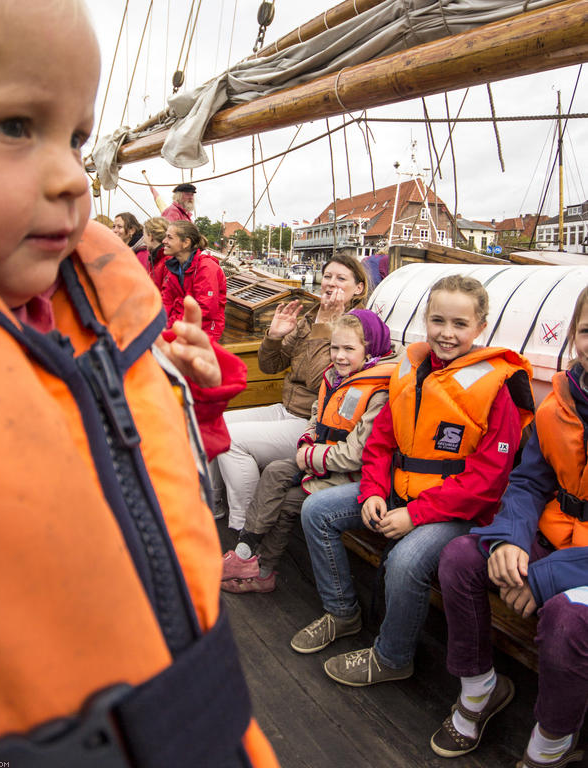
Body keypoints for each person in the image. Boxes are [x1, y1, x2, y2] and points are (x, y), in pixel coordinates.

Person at [0, 0, 278, 768]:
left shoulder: (92, 313)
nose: (72, 176)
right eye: (16, 126)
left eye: (78, 136)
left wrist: (185, 376)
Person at [290, 274, 534, 682]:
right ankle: (343, 613)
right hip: (397, 492)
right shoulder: (410, 368)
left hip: (457, 509)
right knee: (317, 510)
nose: (447, 333)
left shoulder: (498, 387)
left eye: (460, 324)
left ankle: (392, 657)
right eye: (438, 321)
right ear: (426, 320)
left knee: (405, 562)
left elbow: (488, 480)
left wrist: (416, 515)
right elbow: (382, 441)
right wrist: (371, 492)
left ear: (480, 326)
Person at [429, 286, 588, 767]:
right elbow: (527, 481)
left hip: (575, 566)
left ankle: (553, 741)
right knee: (460, 558)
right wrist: (509, 540)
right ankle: (480, 689)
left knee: (567, 621)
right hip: (555, 538)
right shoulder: (559, 404)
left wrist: (543, 578)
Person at [220, 310, 396, 593]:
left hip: (350, 475)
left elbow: (357, 454)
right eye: (334, 348)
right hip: (322, 460)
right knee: (277, 470)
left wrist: (310, 457)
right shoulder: (335, 379)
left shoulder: (378, 392)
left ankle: (260, 569)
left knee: (289, 502)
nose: (339, 356)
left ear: (370, 349)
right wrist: (305, 444)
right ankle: (246, 549)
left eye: (349, 349)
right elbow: (316, 420)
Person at [218, 254, 370, 530]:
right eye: (327, 277)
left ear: (358, 288)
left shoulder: (358, 327)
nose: (330, 284)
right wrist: (274, 337)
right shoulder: (310, 318)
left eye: (341, 279)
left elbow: (317, 380)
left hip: (311, 423)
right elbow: (270, 366)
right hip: (286, 408)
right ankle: (216, 506)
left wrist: (326, 324)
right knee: (214, 426)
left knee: (231, 440)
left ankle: (245, 526)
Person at [162, 220, 227, 338]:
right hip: (180, 326)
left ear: (186, 242)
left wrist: (169, 326)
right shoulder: (174, 267)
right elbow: (167, 300)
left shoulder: (206, 268)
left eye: (169, 237)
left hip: (204, 332)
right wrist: (160, 323)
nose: (164, 241)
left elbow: (204, 310)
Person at [138, 215, 170, 289]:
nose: (143, 240)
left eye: (144, 235)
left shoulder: (167, 262)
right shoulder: (155, 259)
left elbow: (165, 294)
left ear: (150, 236)